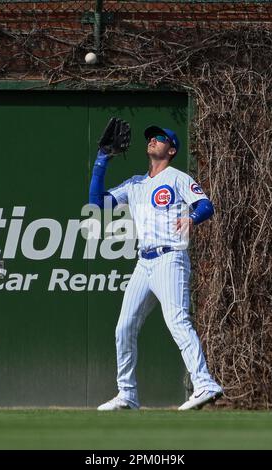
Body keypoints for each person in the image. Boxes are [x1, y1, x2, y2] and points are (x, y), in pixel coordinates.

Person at [89, 122, 223, 411]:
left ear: (171, 149)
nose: (152, 140)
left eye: (159, 137)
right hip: (144, 262)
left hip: (170, 258)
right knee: (123, 327)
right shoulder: (136, 183)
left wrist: (192, 218)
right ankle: (127, 394)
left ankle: (205, 384)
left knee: (177, 321)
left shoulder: (176, 178)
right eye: (150, 136)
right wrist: (102, 159)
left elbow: (205, 205)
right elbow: (97, 203)